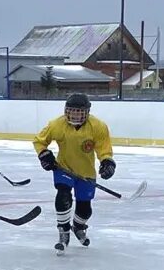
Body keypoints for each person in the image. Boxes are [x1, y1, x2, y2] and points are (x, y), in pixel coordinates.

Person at [33, 93, 114, 254]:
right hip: (64, 168)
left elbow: (104, 149)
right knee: (63, 195)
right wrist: (44, 154)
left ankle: (78, 226)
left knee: (85, 208)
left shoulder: (98, 126)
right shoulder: (57, 124)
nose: (75, 115)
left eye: (79, 112)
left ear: (87, 112)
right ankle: (63, 230)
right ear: (66, 110)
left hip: (86, 172)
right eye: (72, 111)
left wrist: (107, 162)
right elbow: (39, 141)